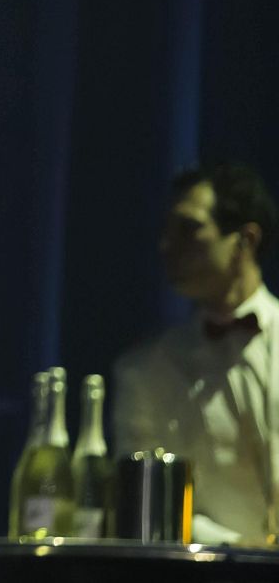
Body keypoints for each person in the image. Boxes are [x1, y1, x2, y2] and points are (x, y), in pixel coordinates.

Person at [113, 163, 278, 544]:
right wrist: (241, 554)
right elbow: (146, 506)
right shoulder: (145, 371)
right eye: (166, 231)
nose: (167, 246)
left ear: (245, 240)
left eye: (188, 229)